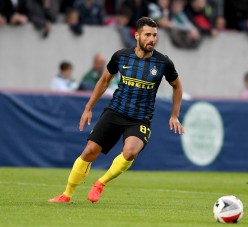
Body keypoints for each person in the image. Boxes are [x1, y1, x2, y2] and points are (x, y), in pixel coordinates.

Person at [48, 17, 184, 203]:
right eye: (147, 35)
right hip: (115, 111)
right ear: (137, 36)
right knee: (89, 151)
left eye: (154, 35)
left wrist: (174, 115)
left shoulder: (163, 63)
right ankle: (66, 194)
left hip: (140, 118)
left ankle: (100, 183)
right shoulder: (121, 56)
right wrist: (88, 108)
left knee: (131, 151)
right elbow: (104, 81)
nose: (152, 39)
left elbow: (177, 86)